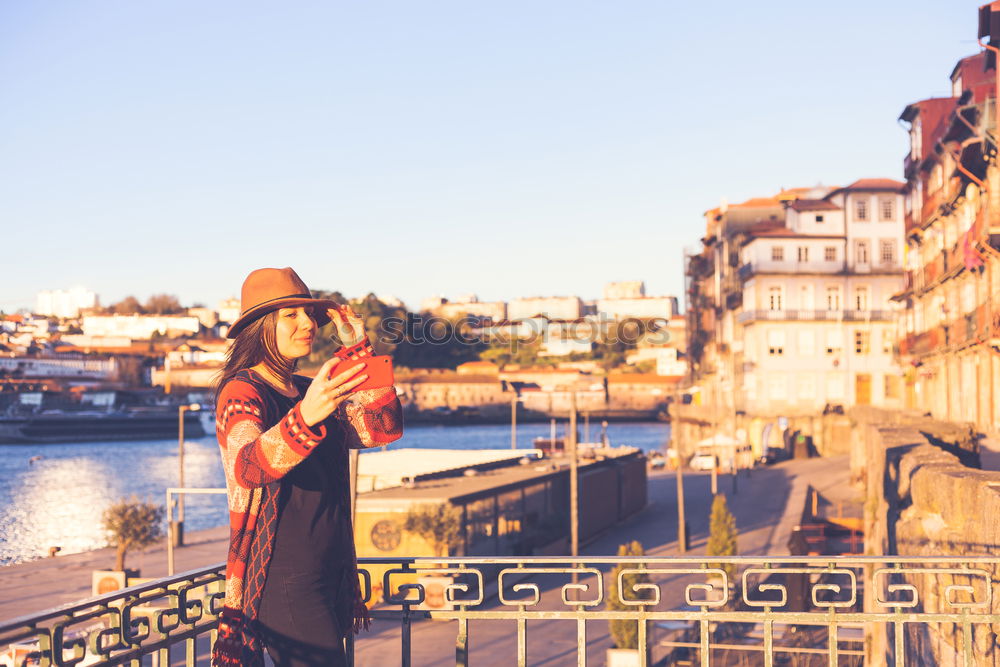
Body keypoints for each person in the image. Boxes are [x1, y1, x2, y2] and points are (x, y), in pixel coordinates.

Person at [211, 267, 403, 667]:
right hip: (284, 575)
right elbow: (247, 467)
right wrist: (305, 418)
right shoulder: (242, 390)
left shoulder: (307, 387)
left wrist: (360, 352)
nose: (307, 324)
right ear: (261, 326)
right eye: (290, 315)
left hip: (333, 567)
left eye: (309, 314)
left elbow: (381, 430)